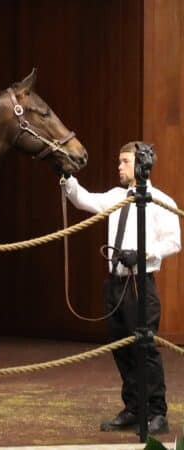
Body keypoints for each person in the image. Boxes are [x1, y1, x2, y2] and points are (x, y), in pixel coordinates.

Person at [62, 141, 181, 435]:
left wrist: (142, 254)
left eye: (124, 162)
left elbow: (174, 242)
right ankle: (134, 407)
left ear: (141, 164)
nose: (119, 167)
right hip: (115, 284)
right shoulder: (117, 196)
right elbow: (83, 199)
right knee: (122, 349)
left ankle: (157, 412)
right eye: (119, 162)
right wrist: (67, 177)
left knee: (145, 350)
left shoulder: (160, 200)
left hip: (140, 284)